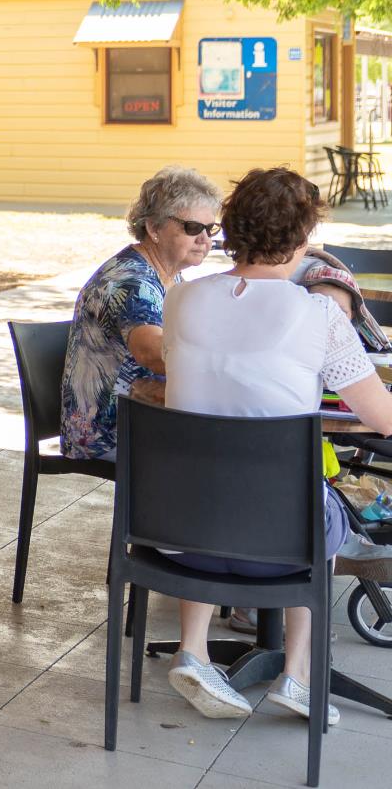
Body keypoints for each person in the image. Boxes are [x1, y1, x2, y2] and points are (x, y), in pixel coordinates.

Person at [159, 166, 392, 724]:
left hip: (174, 533)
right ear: (304, 239)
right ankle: (298, 674)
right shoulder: (316, 314)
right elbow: (381, 418)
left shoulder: (182, 300)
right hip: (280, 545)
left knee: (213, 467)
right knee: (317, 500)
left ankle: (193, 650)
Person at [60, 166, 222, 461]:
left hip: (150, 415)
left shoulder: (166, 275)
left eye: (210, 229)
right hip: (109, 432)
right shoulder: (131, 281)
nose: (205, 240)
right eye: (192, 228)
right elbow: (154, 353)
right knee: (229, 449)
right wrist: (230, 369)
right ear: (154, 228)